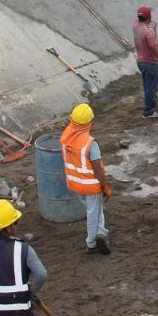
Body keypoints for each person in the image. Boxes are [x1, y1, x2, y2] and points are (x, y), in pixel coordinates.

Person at [60, 103, 113, 254]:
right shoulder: (90, 143)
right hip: (90, 186)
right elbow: (97, 168)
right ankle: (91, 243)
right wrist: (105, 186)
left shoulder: (65, 137)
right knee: (93, 213)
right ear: (89, 123)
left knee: (95, 210)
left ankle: (101, 232)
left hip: (75, 183)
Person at [133, 6, 158, 118]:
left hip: (140, 61)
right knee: (151, 88)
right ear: (149, 17)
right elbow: (154, 49)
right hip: (150, 62)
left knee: (147, 86)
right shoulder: (149, 32)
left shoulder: (135, 26)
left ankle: (149, 108)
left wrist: (151, 26)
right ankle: (148, 112)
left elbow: (145, 24)